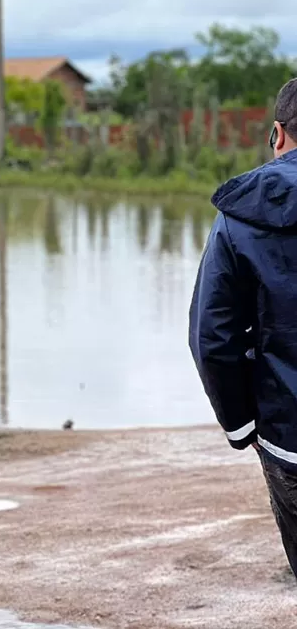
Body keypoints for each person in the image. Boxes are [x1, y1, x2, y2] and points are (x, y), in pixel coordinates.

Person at [189, 76, 297, 579]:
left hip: (288, 437)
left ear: (278, 134)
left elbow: (213, 338)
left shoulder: (241, 215)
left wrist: (242, 426)